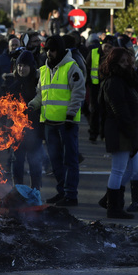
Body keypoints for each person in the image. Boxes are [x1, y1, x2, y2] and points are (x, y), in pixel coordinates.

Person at [28, 35, 85, 206]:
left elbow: (78, 93)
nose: (49, 53)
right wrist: (32, 105)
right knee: (55, 161)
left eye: (52, 50)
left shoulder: (71, 68)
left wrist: (70, 115)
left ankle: (71, 195)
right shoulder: (44, 70)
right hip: (49, 123)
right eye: (47, 50)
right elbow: (41, 94)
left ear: (59, 50)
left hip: (66, 123)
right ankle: (62, 192)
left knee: (70, 160)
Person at [97, 48, 138, 219]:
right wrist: (132, 134)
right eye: (123, 61)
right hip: (120, 131)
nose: (127, 64)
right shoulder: (114, 82)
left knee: (129, 170)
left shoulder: (125, 80)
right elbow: (120, 111)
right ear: (114, 63)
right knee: (119, 170)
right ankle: (113, 207)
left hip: (126, 129)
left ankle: (110, 200)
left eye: (128, 61)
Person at [2, 50, 45, 190]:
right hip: (16, 130)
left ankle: (35, 191)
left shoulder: (38, 83)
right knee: (17, 162)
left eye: (25, 66)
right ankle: (18, 191)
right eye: (19, 65)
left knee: (35, 163)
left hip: (34, 129)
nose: (21, 69)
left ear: (31, 67)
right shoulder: (11, 83)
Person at [85, 35, 117, 142]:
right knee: (95, 110)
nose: (107, 49)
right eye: (106, 46)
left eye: (110, 47)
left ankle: (104, 134)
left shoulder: (113, 56)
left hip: (107, 87)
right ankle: (93, 133)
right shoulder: (94, 52)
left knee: (106, 111)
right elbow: (87, 69)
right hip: (95, 86)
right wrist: (87, 85)